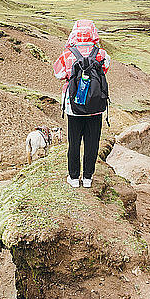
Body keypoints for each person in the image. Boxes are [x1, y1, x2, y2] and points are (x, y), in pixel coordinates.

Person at [53, 19, 111, 188]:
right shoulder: (101, 53)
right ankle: (87, 178)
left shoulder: (68, 54)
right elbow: (106, 69)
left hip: (74, 108)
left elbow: (58, 74)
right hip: (95, 107)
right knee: (92, 143)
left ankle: (73, 178)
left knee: (74, 142)